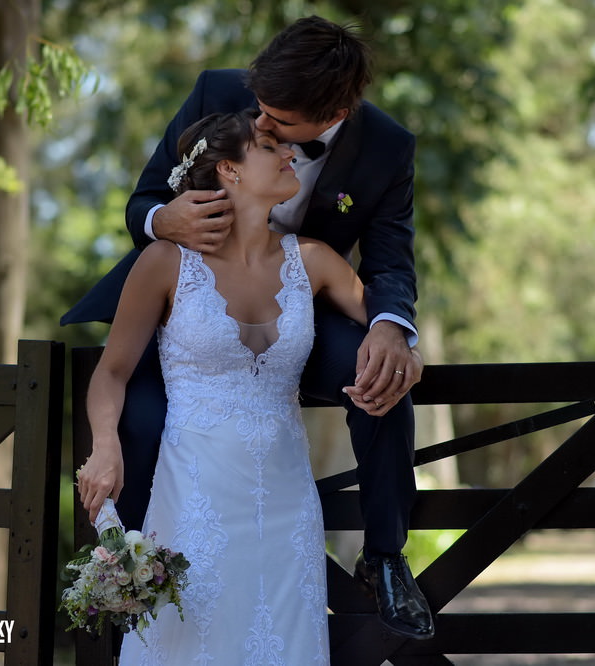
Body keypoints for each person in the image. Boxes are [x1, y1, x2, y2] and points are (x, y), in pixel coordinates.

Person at [62, 16, 434, 640]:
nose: (261, 127)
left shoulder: (388, 147)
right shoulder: (218, 93)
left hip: (294, 312)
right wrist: (165, 220)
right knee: (140, 422)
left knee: (382, 374)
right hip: (188, 316)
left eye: (279, 124)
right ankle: (127, 590)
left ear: (334, 111)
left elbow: (391, 261)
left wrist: (396, 331)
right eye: (258, 114)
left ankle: (386, 555)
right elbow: (143, 200)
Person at [77, 110, 365, 662]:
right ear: (229, 171)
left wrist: (401, 342)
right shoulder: (165, 263)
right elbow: (111, 372)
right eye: (269, 146)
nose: (290, 155)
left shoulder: (315, 261)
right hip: (194, 499)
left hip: (287, 501)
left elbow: (387, 321)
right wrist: (105, 446)